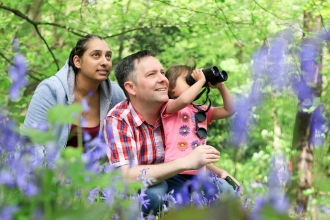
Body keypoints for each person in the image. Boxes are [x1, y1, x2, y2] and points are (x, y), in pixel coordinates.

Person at [103, 50, 230, 216]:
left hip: (181, 177)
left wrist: (219, 172)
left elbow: (191, 155)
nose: (163, 79)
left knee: (225, 190)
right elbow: (126, 175)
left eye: (162, 72)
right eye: (151, 74)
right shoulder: (119, 119)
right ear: (131, 87)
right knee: (155, 194)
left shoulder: (177, 114)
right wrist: (184, 163)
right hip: (142, 187)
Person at [22, 34, 125, 155]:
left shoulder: (115, 93)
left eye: (108, 56)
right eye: (96, 55)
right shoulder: (50, 90)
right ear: (77, 61)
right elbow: (31, 142)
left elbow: (126, 137)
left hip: (97, 172)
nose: (105, 62)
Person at [162, 63, 241, 197]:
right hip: (175, 172)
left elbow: (229, 110)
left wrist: (221, 86)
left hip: (199, 173)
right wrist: (200, 81)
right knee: (180, 205)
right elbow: (184, 100)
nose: (194, 83)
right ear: (171, 87)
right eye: (188, 80)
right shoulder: (169, 106)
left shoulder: (200, 110)